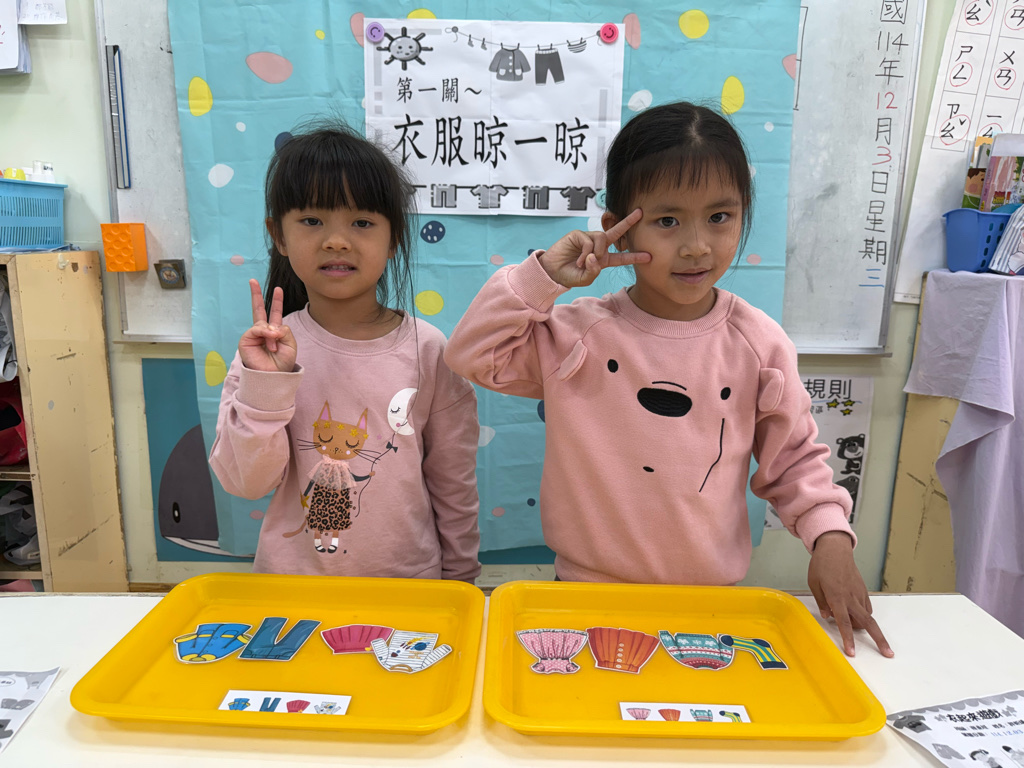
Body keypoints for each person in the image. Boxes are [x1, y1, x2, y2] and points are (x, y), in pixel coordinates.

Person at [445, 102, 892, 655]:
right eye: (667, 221)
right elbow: (473, 354)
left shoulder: (759, 344)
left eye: (720, 217)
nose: (696, 245)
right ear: (617, 229)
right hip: (581, 597)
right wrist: (542, 278)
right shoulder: (576, 333)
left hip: (710, 607)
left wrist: (830, 538)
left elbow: (794, 460)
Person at [210, 119, 481, 582]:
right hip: (294, 586)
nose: (336, 240)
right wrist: (266, 386)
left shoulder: (428, 349)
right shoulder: (266, 354)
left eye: (362, 222)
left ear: (394, 238)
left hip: (410, 586)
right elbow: (246, 483)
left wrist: (460, 579)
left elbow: (453, 480)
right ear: (279, 235)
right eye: (312, 221)